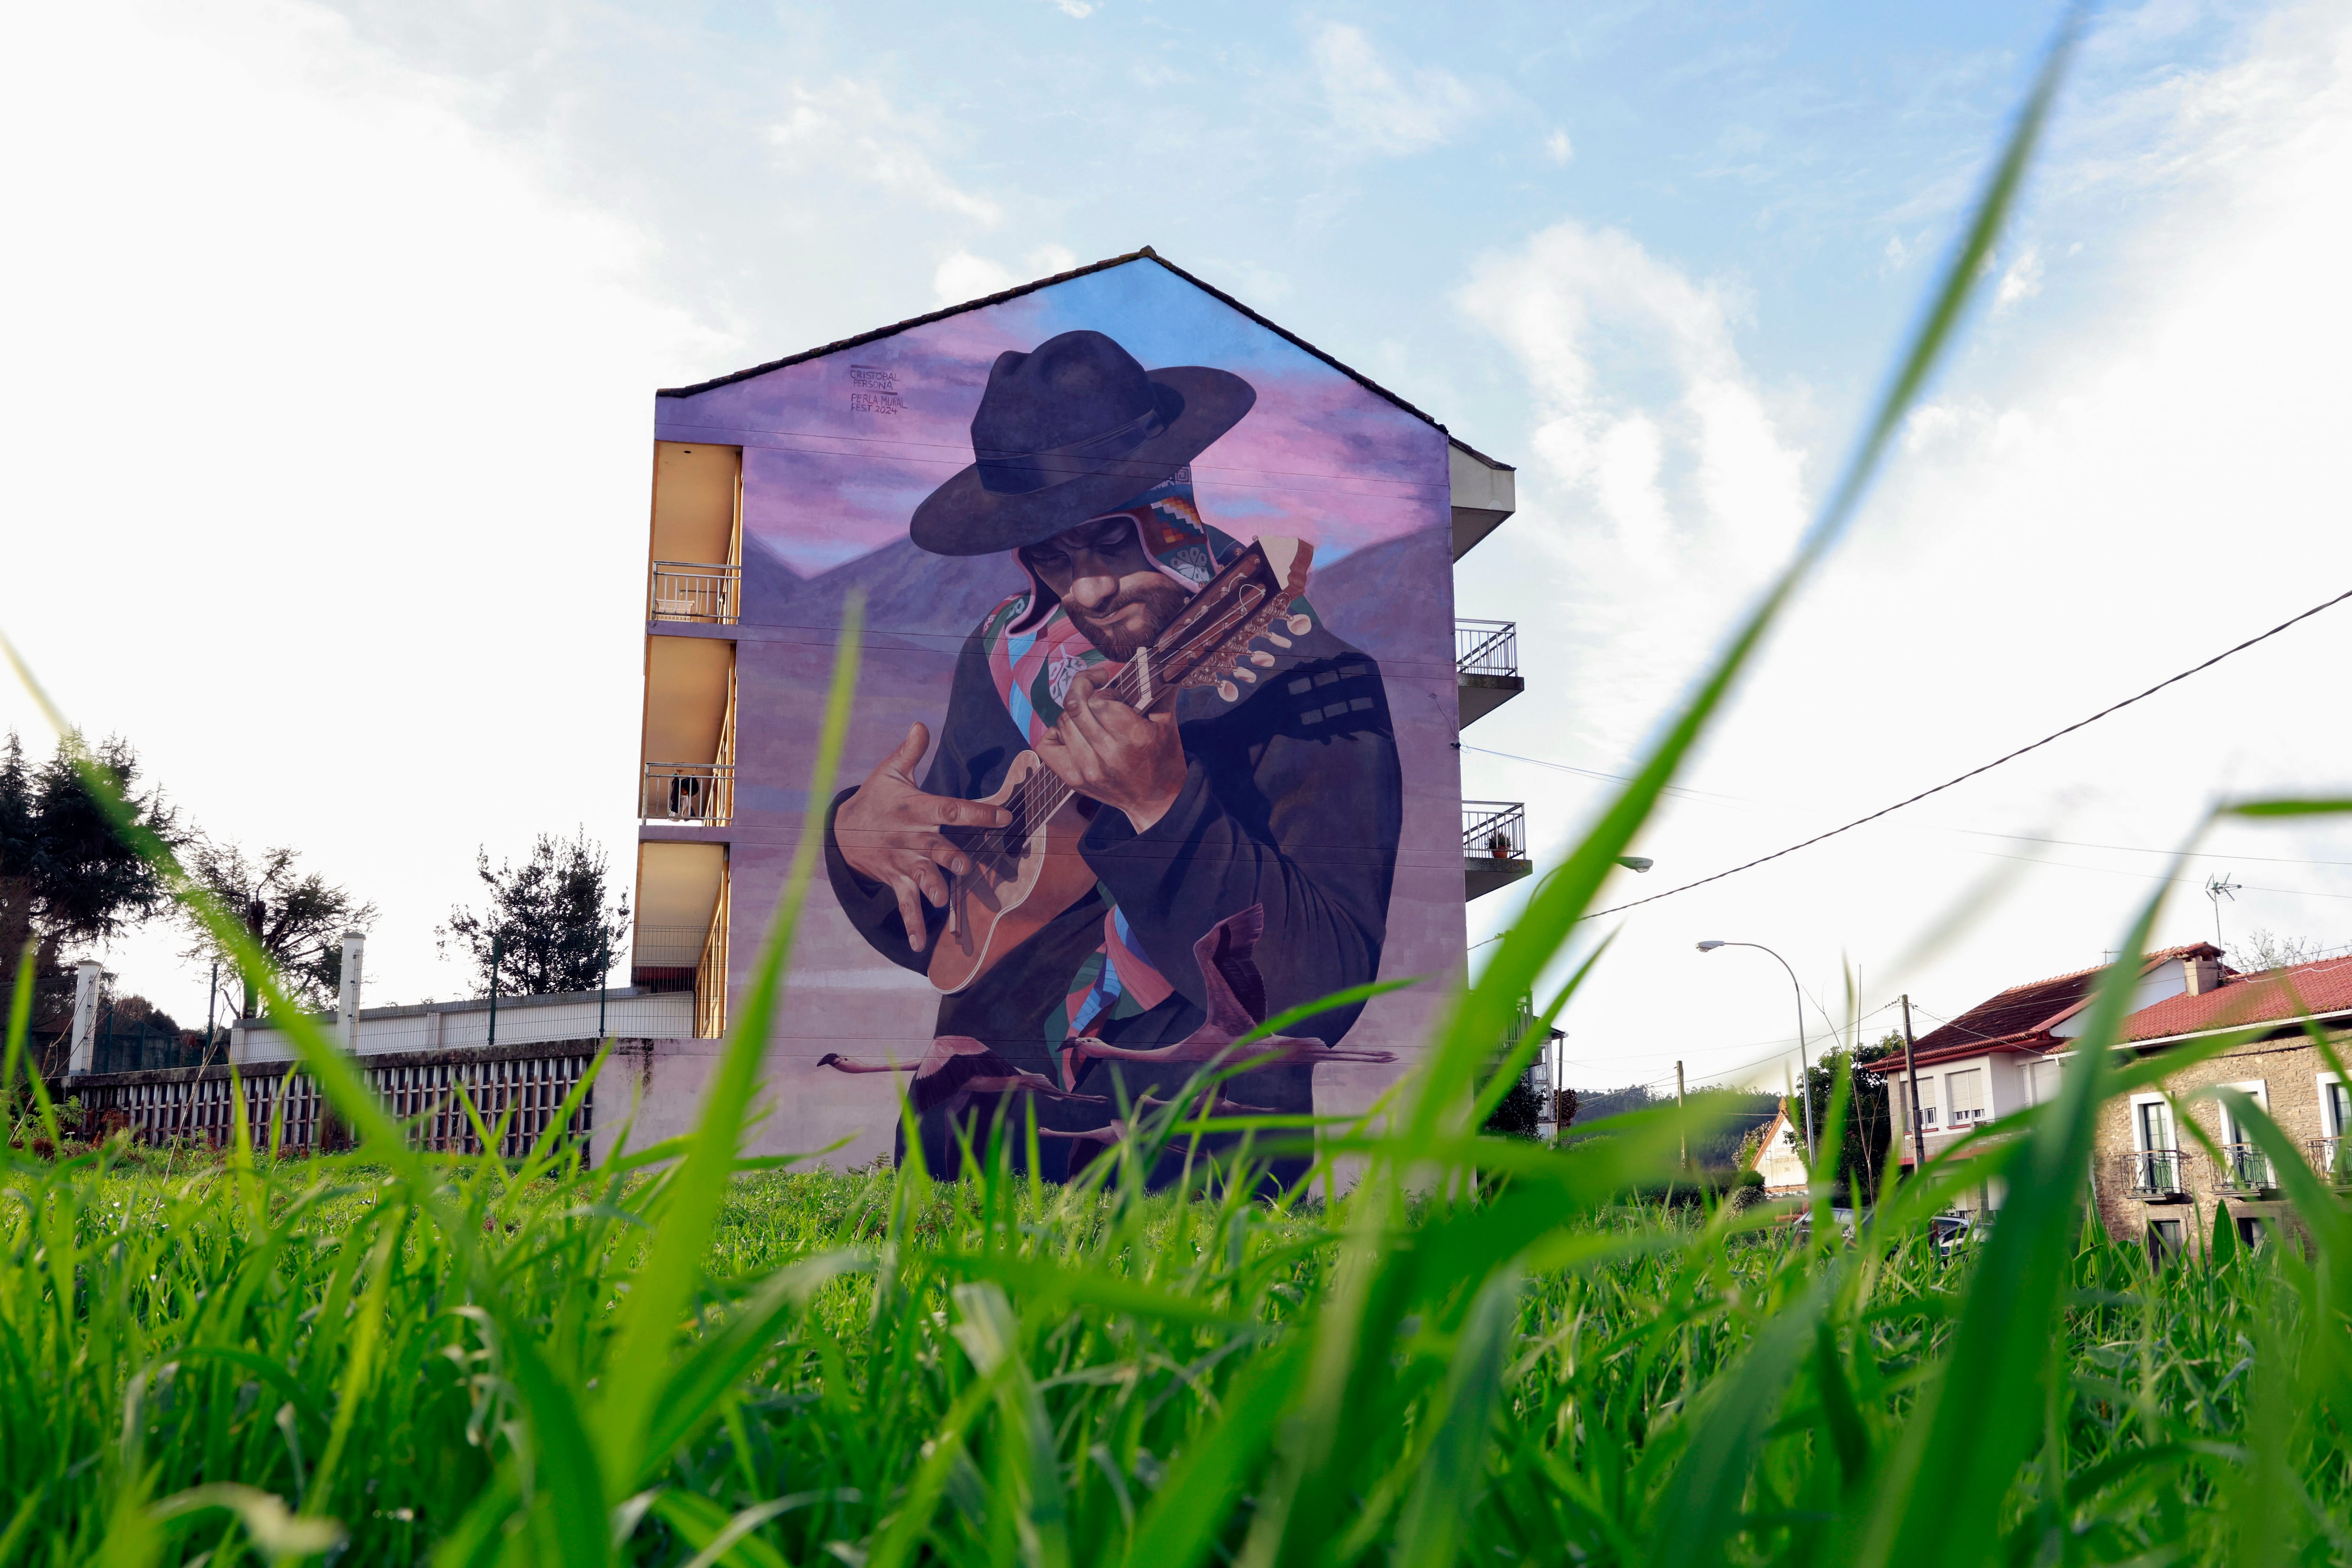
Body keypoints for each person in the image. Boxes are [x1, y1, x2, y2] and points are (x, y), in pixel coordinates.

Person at [822, 329, 1402, 1181]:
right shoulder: (1002, 658)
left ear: (1174, 514)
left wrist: (1167, 809)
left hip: (1199, 1164)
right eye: (1052, 557)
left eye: (1108, 542)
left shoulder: (1313, 681)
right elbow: (952, 928)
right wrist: (862, 846)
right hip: (973, 1154)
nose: (1085, 589)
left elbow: (1326, 990)